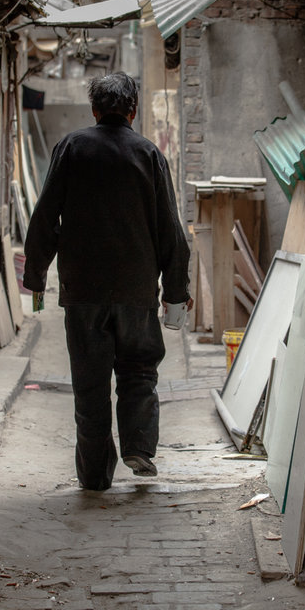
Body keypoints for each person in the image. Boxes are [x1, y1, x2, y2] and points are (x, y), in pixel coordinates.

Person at [22, 72, 192, 491]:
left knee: (90, 382)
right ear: (132, 110)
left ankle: (95, 475)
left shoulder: (72, 148)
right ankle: (138, 446)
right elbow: (170, 230)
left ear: (95, 109)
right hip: (135, 290)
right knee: (138, 370)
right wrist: (175, 294)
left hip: (82, 292)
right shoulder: (149, 154)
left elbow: (46, 217)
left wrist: (36, 276)